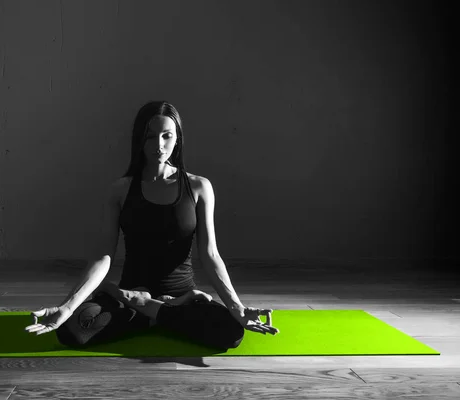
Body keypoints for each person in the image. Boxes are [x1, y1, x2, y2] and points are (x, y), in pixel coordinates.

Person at [25, 101, 279, 351]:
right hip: (131, 293)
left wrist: (237, 308)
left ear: (177, 138)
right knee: (71, 330)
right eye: (150, 137)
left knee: (231, 331)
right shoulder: (120, 190)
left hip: (181, 297)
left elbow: (210, 254)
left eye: (166, 136)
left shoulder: (199, 187)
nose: (159, 145)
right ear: (139, 140)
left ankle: (151, 310)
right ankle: (158, 312)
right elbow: (103, 255)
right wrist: (67, 307)